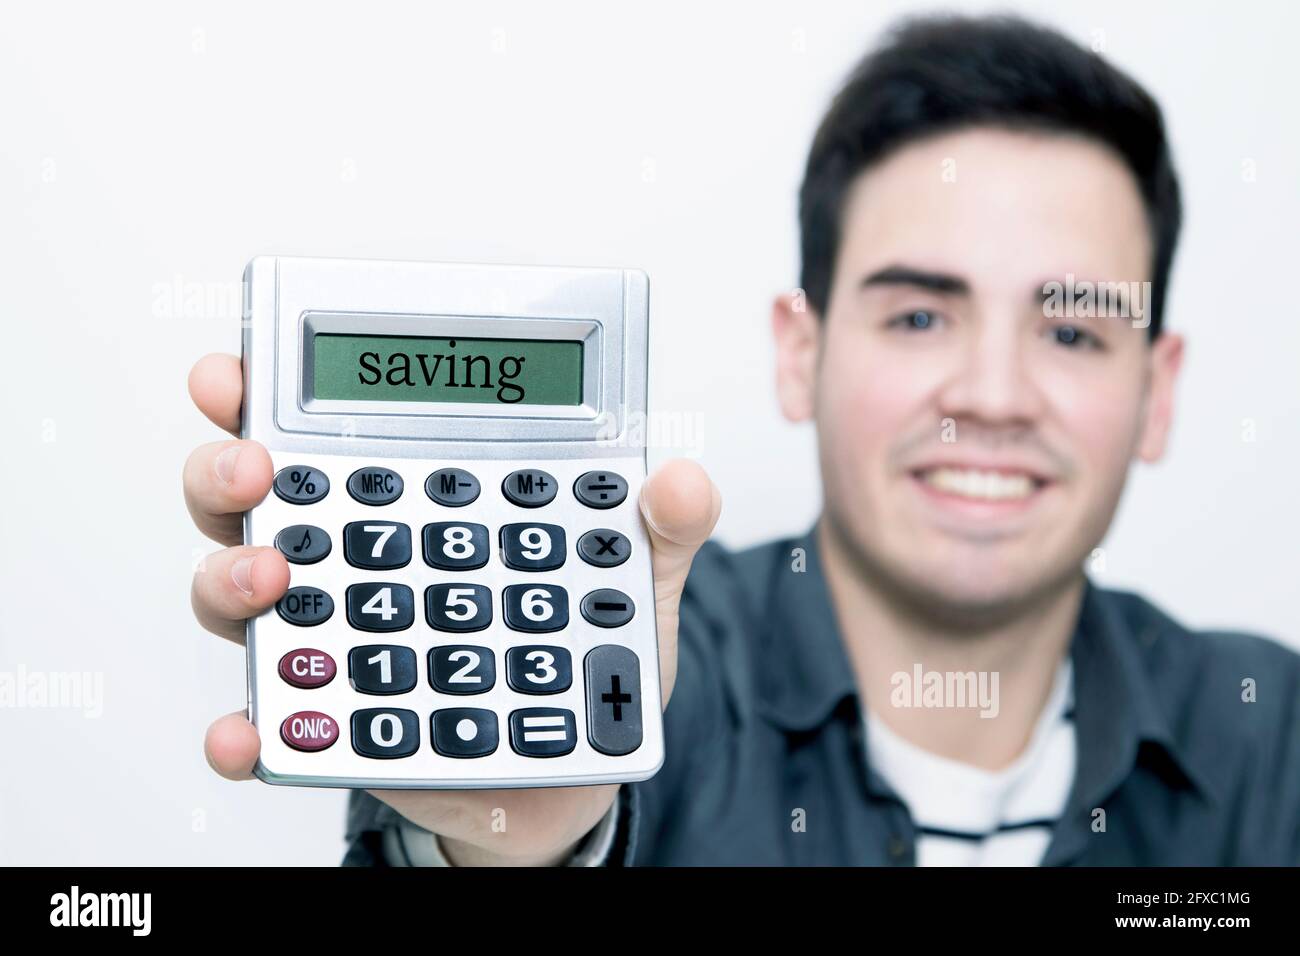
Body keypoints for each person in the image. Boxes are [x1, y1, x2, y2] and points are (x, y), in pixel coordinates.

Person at [184, 13, 1300, 866]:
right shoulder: (638, 682)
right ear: (797, 353)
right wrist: (517, 833)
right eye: (918, 315)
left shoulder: (1276, 737)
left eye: (1069, 326)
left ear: (1157, 392)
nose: (991, 395)